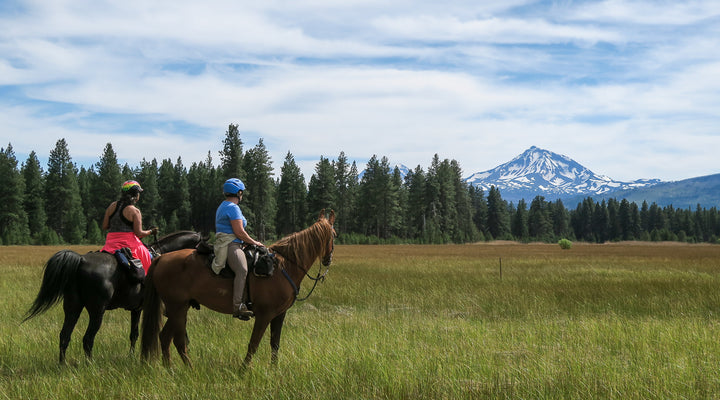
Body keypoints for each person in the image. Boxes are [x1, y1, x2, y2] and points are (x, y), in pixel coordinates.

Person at [213, 178, 264, 319]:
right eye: (242, 193)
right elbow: (239, 232)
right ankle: (237, 306)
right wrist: (255, 242)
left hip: (235, 242)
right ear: (239, 192)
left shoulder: (224, 205)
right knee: (242, 269)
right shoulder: (232, 208)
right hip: (231, 245)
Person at [101, 180, 158, 272]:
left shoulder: (112, 206)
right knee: (148, 256)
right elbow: (139, 234)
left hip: (110, 243)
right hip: (129, 244)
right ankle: (146, 280)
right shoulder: (135, 211)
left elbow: (104, 226)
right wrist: (151, 231)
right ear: (136, 195)